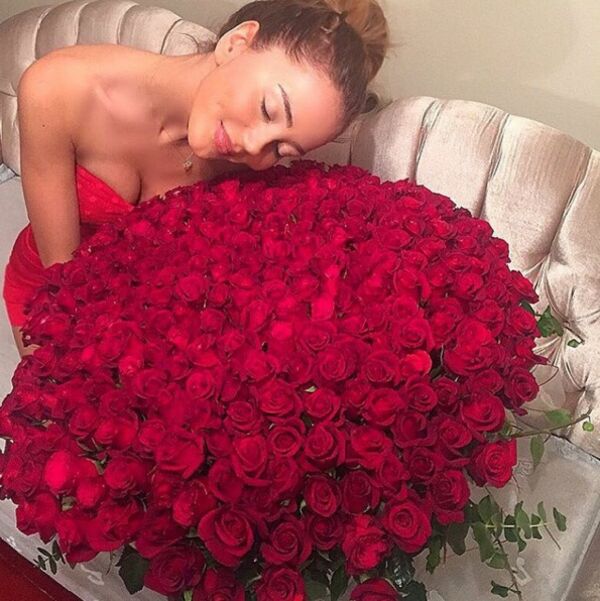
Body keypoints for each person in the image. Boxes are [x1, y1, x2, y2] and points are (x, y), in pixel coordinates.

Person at [2, 0, 390, 357]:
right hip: (50, 289)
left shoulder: (246, 170)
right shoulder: (58, 88)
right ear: (236, 44)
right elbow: (63, 280)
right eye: (268, 109)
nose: (254, 146)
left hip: (137, 313)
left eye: (282, 149)